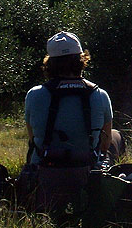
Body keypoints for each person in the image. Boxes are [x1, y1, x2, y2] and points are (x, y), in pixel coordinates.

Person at [24, 31, 121, 211]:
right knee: (115, 136)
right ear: (81, 61)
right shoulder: (100, 95)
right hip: (85, 172)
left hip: (45, 175)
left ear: (49, 64)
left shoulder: (34, 95)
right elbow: (105, 144)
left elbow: (32, 139)